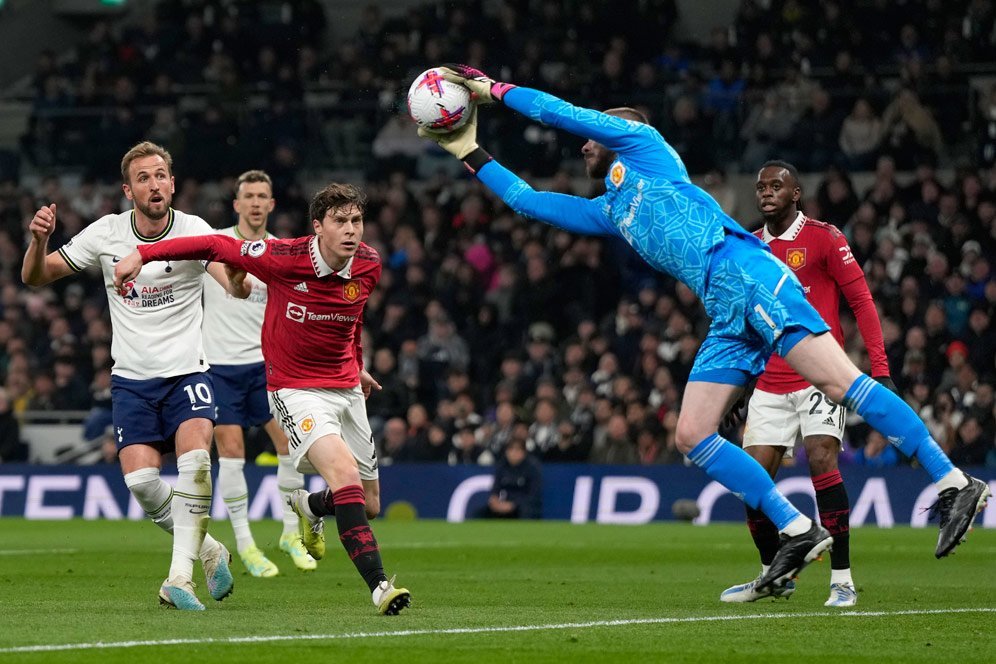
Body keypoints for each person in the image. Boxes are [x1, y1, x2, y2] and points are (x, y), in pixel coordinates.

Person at [420, 65, 990, 593]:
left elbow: (560, 113)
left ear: (620, 132)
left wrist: (489, 88)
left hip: (746, 275)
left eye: (594, 135)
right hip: (724, 307)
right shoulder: (612, 208)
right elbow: (531, 202)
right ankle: (796, 528)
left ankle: (952, 481)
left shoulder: (645, 149)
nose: (584, 143)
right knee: (692, 433)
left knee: (842, 384)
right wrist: (471, 151)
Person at [114, 182, 411, 615]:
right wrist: (144, 254)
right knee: (344, 476)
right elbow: (215, 244)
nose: (351, 230)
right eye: (340, 221)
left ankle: (308, 505)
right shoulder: (284, 257)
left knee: (369, 503)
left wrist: (357, 363)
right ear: (317, 227)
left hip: (346, 385)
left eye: (356, 221)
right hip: (295, 388)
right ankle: (380, 586)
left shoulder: (367, 263)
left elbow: (354, 320)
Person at [21, 141, 242, 610]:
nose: (154, 184)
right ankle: (208, 550)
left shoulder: (195, 230)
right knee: (142, 484)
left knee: (196, 463)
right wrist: (39, 241)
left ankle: (177, 578)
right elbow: (36, 277)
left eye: (161, 174)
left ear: (173, 182)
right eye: (143, 178)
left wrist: (240, 273)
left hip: (188, 373)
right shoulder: (106, 233)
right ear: (128, 190)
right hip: (133, 381)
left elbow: (231, 284)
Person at [720, 161, 895, 608]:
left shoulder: (824, 237)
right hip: (769, 380)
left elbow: (861, 301)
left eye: (776, 185)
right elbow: (743, 322)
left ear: (795, 193)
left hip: (820, 374)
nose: (765, 193)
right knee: (751, 482)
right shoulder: (749, 246)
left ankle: (842, 579)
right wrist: (736, 387)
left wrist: (881, 369)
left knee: (822, 460)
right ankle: (772, 573)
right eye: (760, 186)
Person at [202, 169, 315, 576]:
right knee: (232, 454)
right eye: (247, 195)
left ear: (271, 204)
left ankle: (289, 533)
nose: (254, 202)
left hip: (269, 366)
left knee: (290, 445)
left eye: (261, 195)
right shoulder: (215, 246)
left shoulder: (282, 252)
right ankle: (247, 545)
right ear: (237, 204)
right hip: (218, 367)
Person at [477, 437, 542, 519]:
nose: (513, 453)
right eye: (511, 449)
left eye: (517, 450)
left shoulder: (532, 468)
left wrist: (513, 505)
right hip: (505, 502)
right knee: (480, 513)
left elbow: (533, 494)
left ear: (524, 452)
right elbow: (496, 488)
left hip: (524, 505)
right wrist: (495, 500)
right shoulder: (502, 466)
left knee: (525, 511)